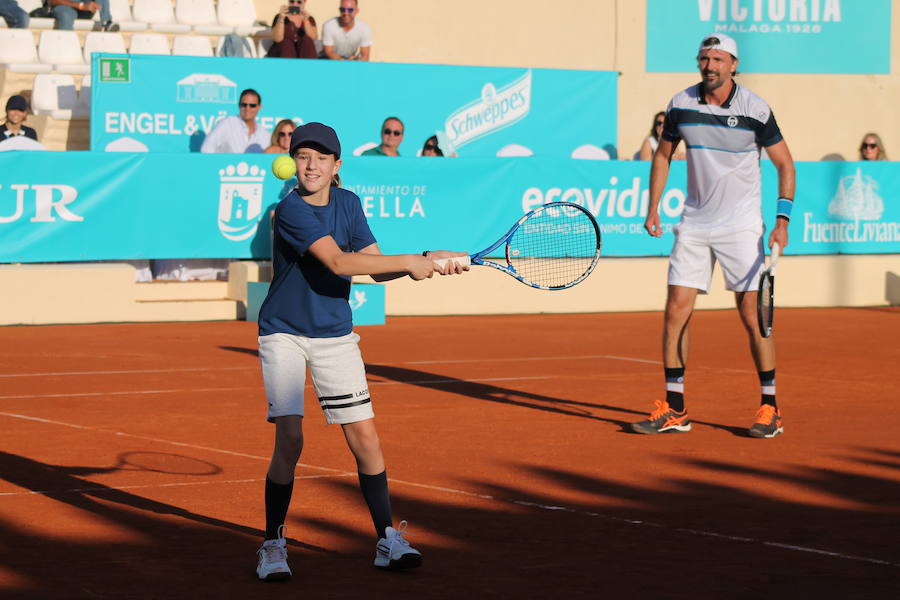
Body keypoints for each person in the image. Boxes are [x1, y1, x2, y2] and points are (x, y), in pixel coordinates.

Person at [254, 122, 467, 580]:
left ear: (336, 167)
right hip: (284, 333)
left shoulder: (348, 203)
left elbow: (373, 265)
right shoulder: (290, 209)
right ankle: (273, 542)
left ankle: (387, 539)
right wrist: (411, 261)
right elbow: (338, 261)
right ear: (293, 162)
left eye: (321, 158)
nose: (311, 165)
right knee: (291, 439)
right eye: (303, 156)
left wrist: (425, 257)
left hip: (334, 334)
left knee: (366, 439)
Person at [633, 33, 795, 439]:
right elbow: (663, 154)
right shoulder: (680, 103)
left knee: (752, 315)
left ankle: (770, 408)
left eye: (717, 59)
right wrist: (653, 205)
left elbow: (785, 165)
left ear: (733, 65)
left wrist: (782, 220)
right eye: (704, 59)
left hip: (742, 226)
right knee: (676, 310)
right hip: (695, 222)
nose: (709, 66)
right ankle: (674, 408)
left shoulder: (756, 108)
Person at [200, 89, 271, 154]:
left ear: (259, 107)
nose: (247, 108)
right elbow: (206, 149)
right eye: (244, 105)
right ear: (239, 105)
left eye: (252, 105)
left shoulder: (265, 135)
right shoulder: (226, 124)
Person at [49, 0, 117, 31]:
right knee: (66, 15)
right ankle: (67, 47)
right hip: (66, 7)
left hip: (84, 10)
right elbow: (53, 1)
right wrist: (80, 6)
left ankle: (107, 22)